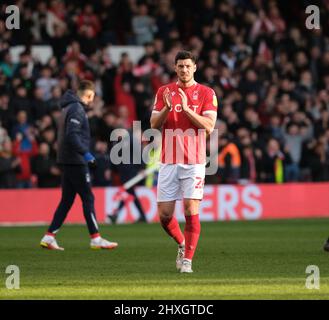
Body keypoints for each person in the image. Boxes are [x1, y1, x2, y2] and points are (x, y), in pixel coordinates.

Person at [150, 50, 217, 273]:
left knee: (190, 209)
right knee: (165, 216)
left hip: (194, 161)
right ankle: (181, 244)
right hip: (168, 160)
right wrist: (168, 107)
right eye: (180, 66)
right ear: (175, 68)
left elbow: (208, 127)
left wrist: (187, 110)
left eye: (188, 66)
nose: (184, 70)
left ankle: (187, 260)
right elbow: (153, 124)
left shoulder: (207, 93)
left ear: (195, 67)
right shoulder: (164, 91)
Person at [40, 80, 118, 250]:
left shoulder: (68, 107)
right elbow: (72, 136)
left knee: (67, 200)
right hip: (75, 160)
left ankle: (49, 236)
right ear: (88, 94)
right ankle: (95, 238)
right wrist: (87, 154)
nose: (92, 101)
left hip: (67, 159)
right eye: (92, 98)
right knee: (88, 198)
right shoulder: (77, 109)